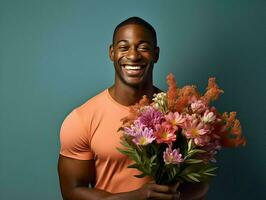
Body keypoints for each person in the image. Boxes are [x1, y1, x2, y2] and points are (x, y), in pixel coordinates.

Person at [58, 16, 209, 200]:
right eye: (123, 47)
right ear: (112, 53)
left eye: (143, 47)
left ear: (156, 54)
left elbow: (200, 185)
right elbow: (72, 193)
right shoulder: (82, 119)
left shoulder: (182, 115)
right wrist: (138, 197)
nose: (133, 55)